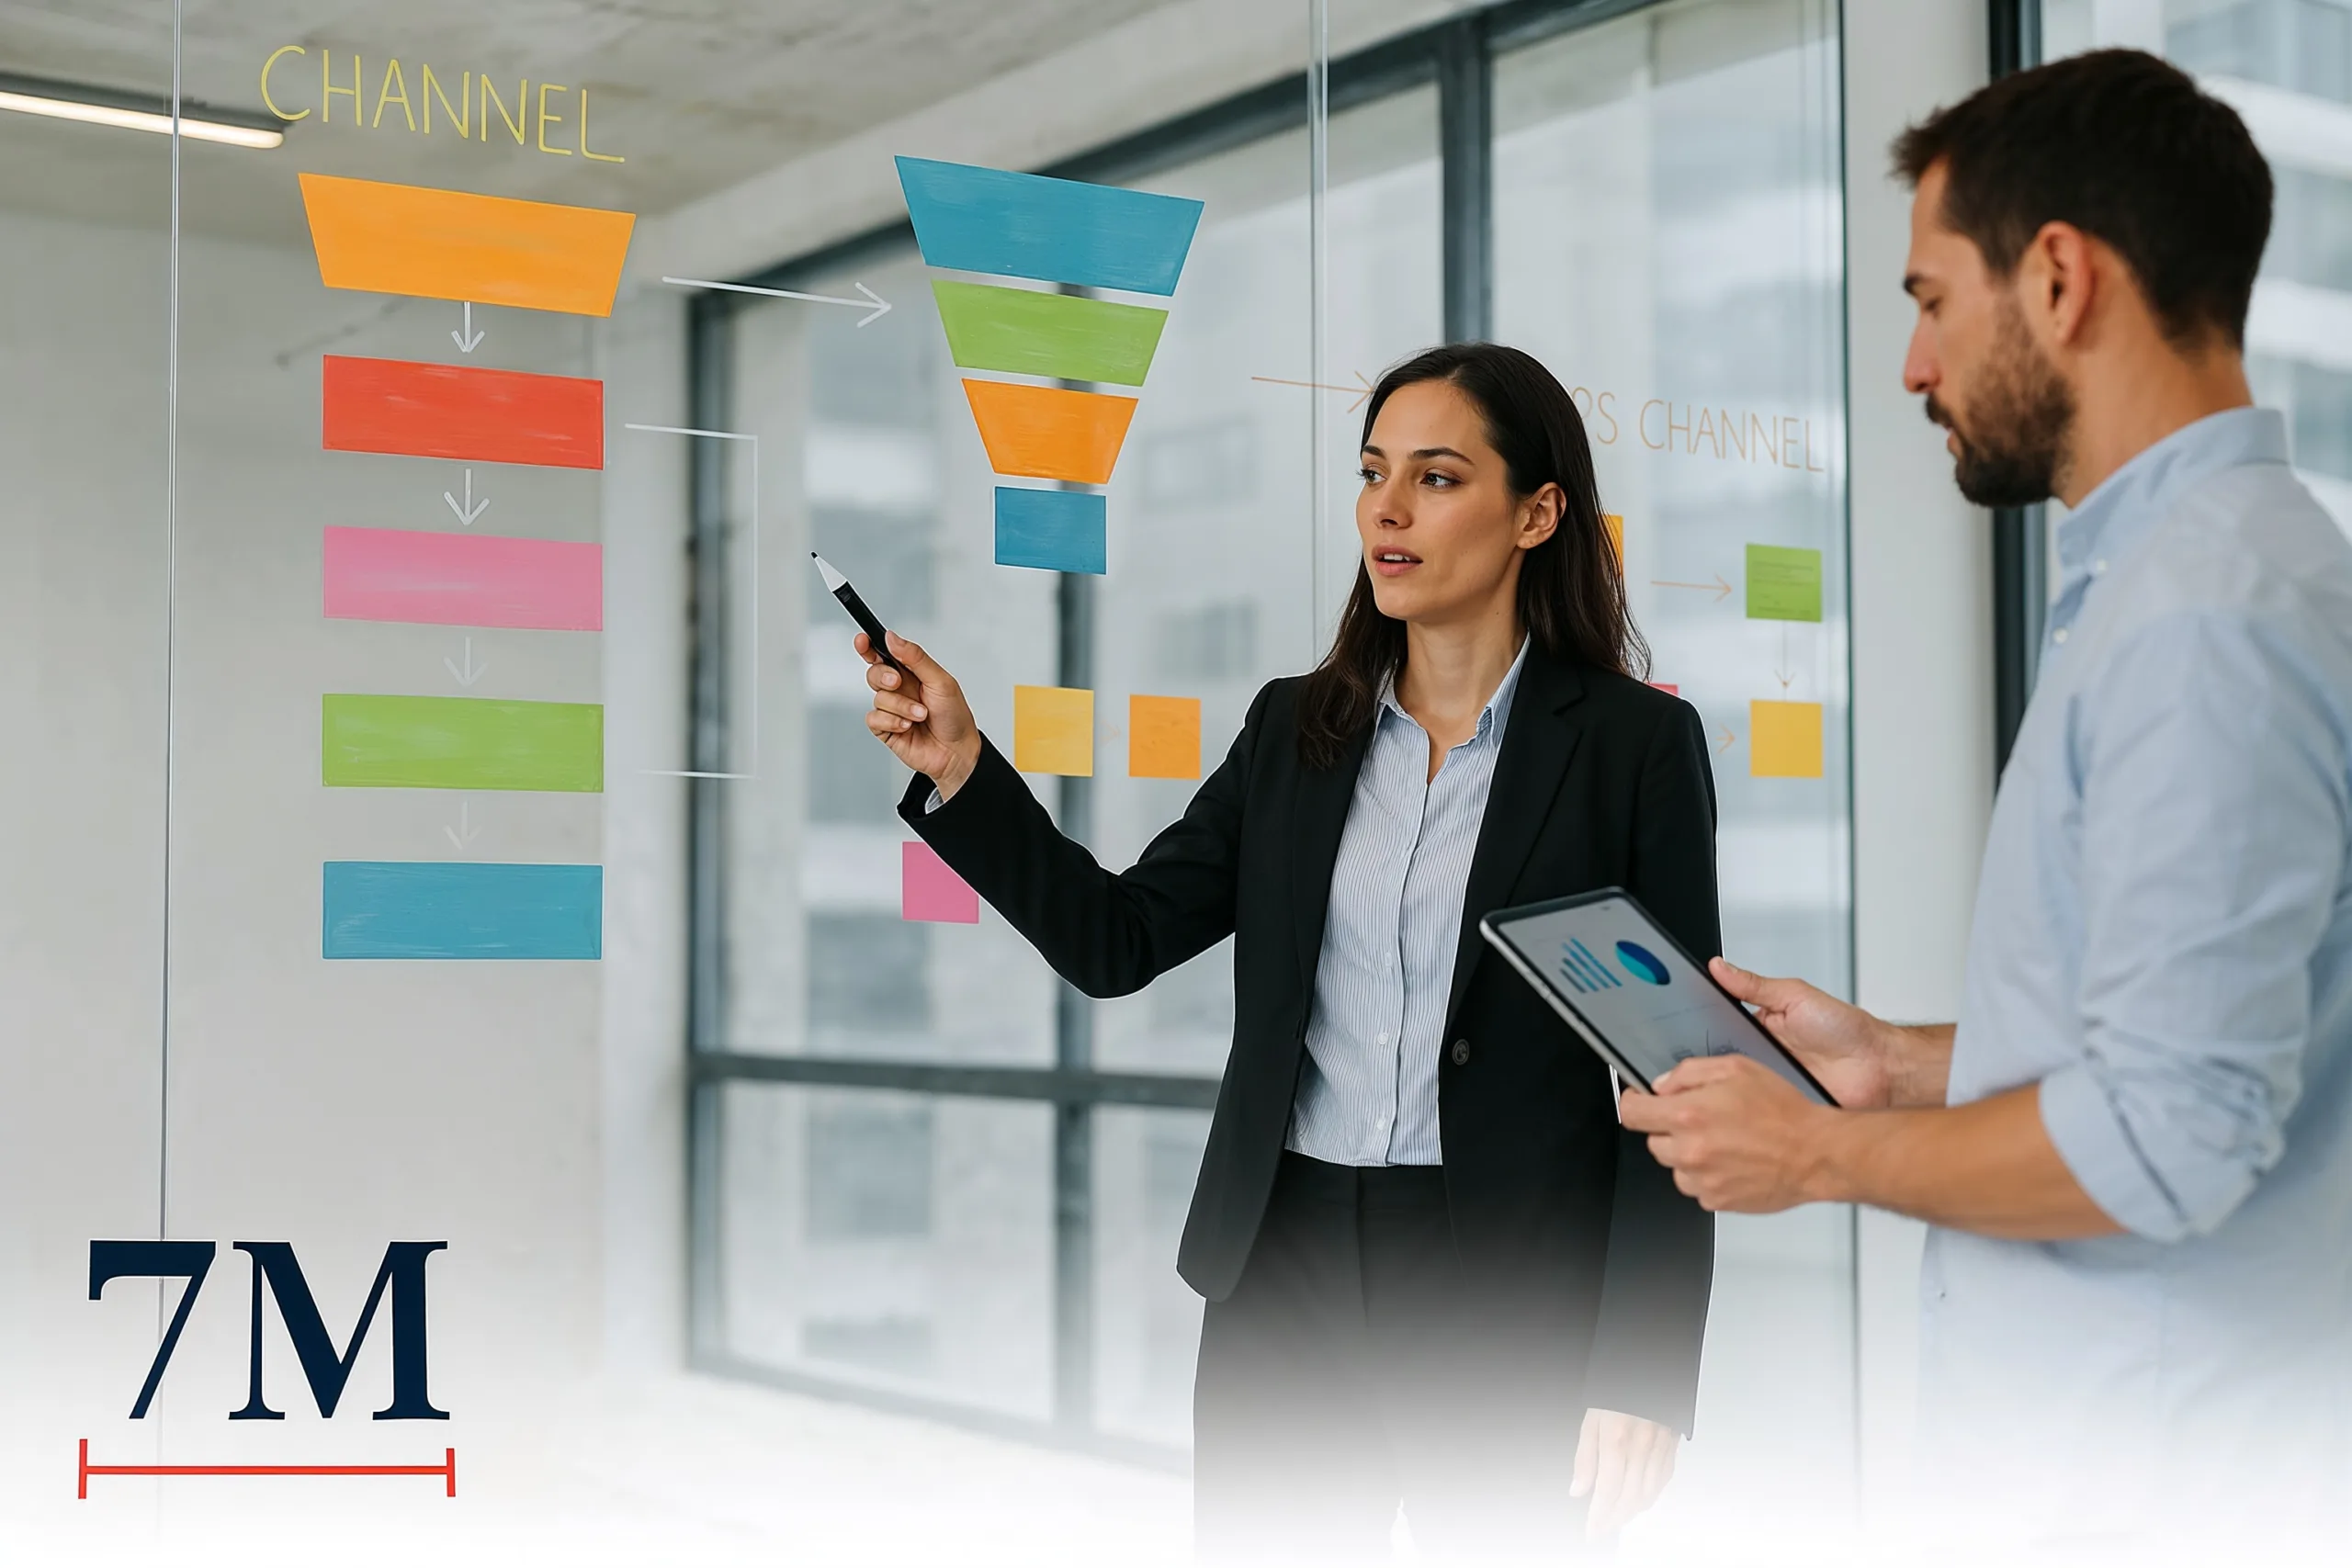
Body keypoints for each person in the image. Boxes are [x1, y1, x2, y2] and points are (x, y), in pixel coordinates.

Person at [1620, 49, 2352, 1557]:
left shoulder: (2203, 620)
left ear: (2063, 280)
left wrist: (1813, 1152)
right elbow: (2209, 1028)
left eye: (1931, 300)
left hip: (2149, 1480)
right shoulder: (2212, 579)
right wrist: (1900, 1063)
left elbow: (2167, 1132)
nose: (1914, 366)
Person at [858, 344, 1719, 1563]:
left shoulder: (1634, 746)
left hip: (1508, 1288)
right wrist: (960, 770)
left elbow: (1682, 1073)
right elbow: (1120, 937)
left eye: (1435, 476)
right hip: (1283, 1268)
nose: (1387, 507)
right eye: (1374, 473)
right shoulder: (1294, 732)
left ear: (1537, 512)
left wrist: (1642, 1364)